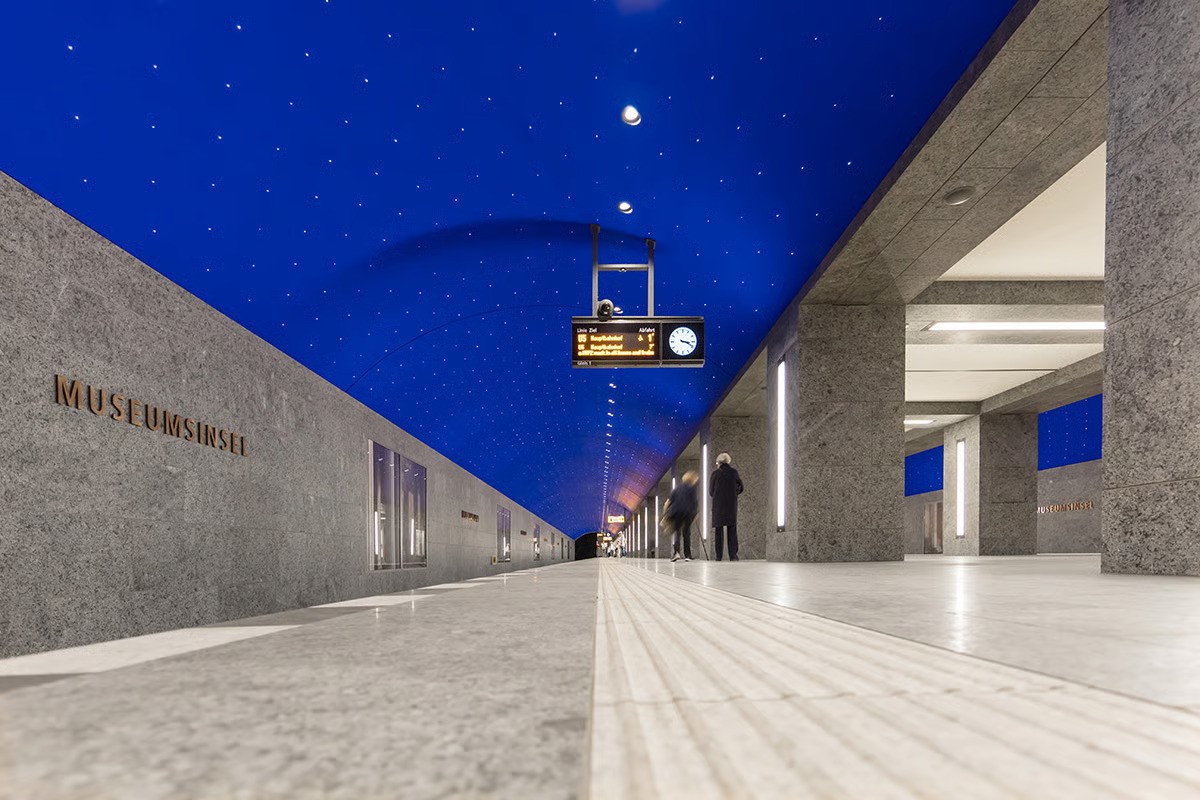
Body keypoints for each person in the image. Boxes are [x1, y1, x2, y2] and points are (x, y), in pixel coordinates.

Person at [709, 452, 744, 561]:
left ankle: (718, 556)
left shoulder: (715, 474)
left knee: (718, 530)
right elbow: (741, 486)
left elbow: (711, 491)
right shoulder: (734, 472)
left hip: (718, 505)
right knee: (732, 529)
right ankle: (732, 555)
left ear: (719, 462)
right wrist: (734, 493)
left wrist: (717, 495)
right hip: (731, 504)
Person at [664, 471, 700, 562]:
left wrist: (666, 513)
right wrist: (695, 513)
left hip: (676, 513)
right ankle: (688, 555)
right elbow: (694, 502)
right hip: (687, 513)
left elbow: (670, 501)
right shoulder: (692, 488)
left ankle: (676, 553)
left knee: (677, 533)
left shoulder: (676, 489)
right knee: (686, 533)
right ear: (692, 480)